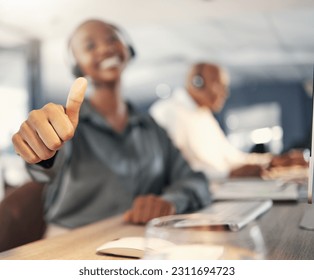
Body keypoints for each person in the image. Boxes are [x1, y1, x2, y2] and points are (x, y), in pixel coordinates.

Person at [11, 20, 211, 230]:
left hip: (140, 237)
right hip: (72, 241)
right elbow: (44, 168)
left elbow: (194, 180)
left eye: (112, 39)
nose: (106, 48)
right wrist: (42, 150)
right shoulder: (67, 124)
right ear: (77, 65)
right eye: (90, 46)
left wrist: (171, 201)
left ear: (128, 49)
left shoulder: (151, 128)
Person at [149, 62, 307, 179]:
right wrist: (228, 174)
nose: (225, 93)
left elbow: (232, 157)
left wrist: (272, 160)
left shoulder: (204, 116)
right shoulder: (167, 112)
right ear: (197, 83)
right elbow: (173, 172)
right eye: (220, 85)